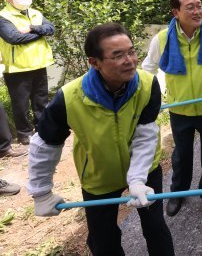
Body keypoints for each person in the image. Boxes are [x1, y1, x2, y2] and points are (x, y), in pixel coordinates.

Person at [27, 23, 174, 256]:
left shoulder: (147, 84)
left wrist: (137, 180)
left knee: (155, 226)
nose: (129, 60)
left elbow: (146, 135)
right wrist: (42, 192)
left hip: (145, 168)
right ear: (94, 62)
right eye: (117, 55)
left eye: (131, 51)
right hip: (98, 175)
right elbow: (45, 146)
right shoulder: (69, 98)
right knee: (103, 240)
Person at [142, 0, 202, 218]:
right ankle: (177, 193)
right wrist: (150, 96)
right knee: (181, 153)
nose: (197, 11)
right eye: (190, 7)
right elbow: (147, 71)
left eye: (199, 6)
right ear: (176, 12)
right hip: (179, 108)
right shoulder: (162, 39)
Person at [0, 0, 54, 146]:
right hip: (18, 67)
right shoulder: (3, 17)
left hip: (39, 64)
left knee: (41, 101)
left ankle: (42, 128)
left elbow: (51, 29)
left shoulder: (36, 13)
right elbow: (14, 38)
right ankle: (24, 134)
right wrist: (40, 32)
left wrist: (31, 28)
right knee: (21, 104)